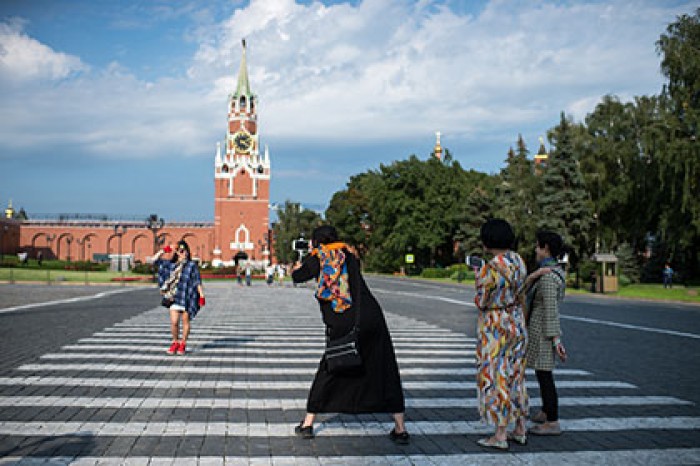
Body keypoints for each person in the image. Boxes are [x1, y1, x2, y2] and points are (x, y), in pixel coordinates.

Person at [291, 225, 409, 444]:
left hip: (343, 318)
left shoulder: (319, 257)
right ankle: (400, 429)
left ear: (317, 242)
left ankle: (307, 424)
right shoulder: (349, 255)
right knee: (384, 367)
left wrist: (298, 264)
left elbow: (298, 277)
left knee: (331, 367)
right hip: (371, 315)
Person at [474, 219, 528, 450]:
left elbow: (481, 301)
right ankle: (520, 428)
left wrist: (478, 277)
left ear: (487, 242)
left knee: (497, 376)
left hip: (495, 326)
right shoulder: (519, 261)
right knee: (516, 374)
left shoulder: (490, 268)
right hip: (516, 321)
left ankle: (500, 434)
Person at [521, 231, 567, 436]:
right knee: (542, 374)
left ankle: (553, 421)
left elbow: (551, 311)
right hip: (540, 332)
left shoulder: (548, 276)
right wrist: (532, 276)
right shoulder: (547, 272)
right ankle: (546, 412)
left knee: (545, 375)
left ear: (546, 248)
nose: (535, 250)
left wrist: (556, 339)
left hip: (542, 334)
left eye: (538, 246)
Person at [153, 240, 205, 355]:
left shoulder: (191, 265)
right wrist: (165, 250)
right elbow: (155, 260)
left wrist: (201, 296)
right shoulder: (171, 265)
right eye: (181, 251)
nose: (184, 253)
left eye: (185, 251)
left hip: (187, 296)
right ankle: (175, 341)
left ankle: (183, 343)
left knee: (185, 321)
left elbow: (197, 281)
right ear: (177, 252)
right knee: (174, 322)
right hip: (175, 297)